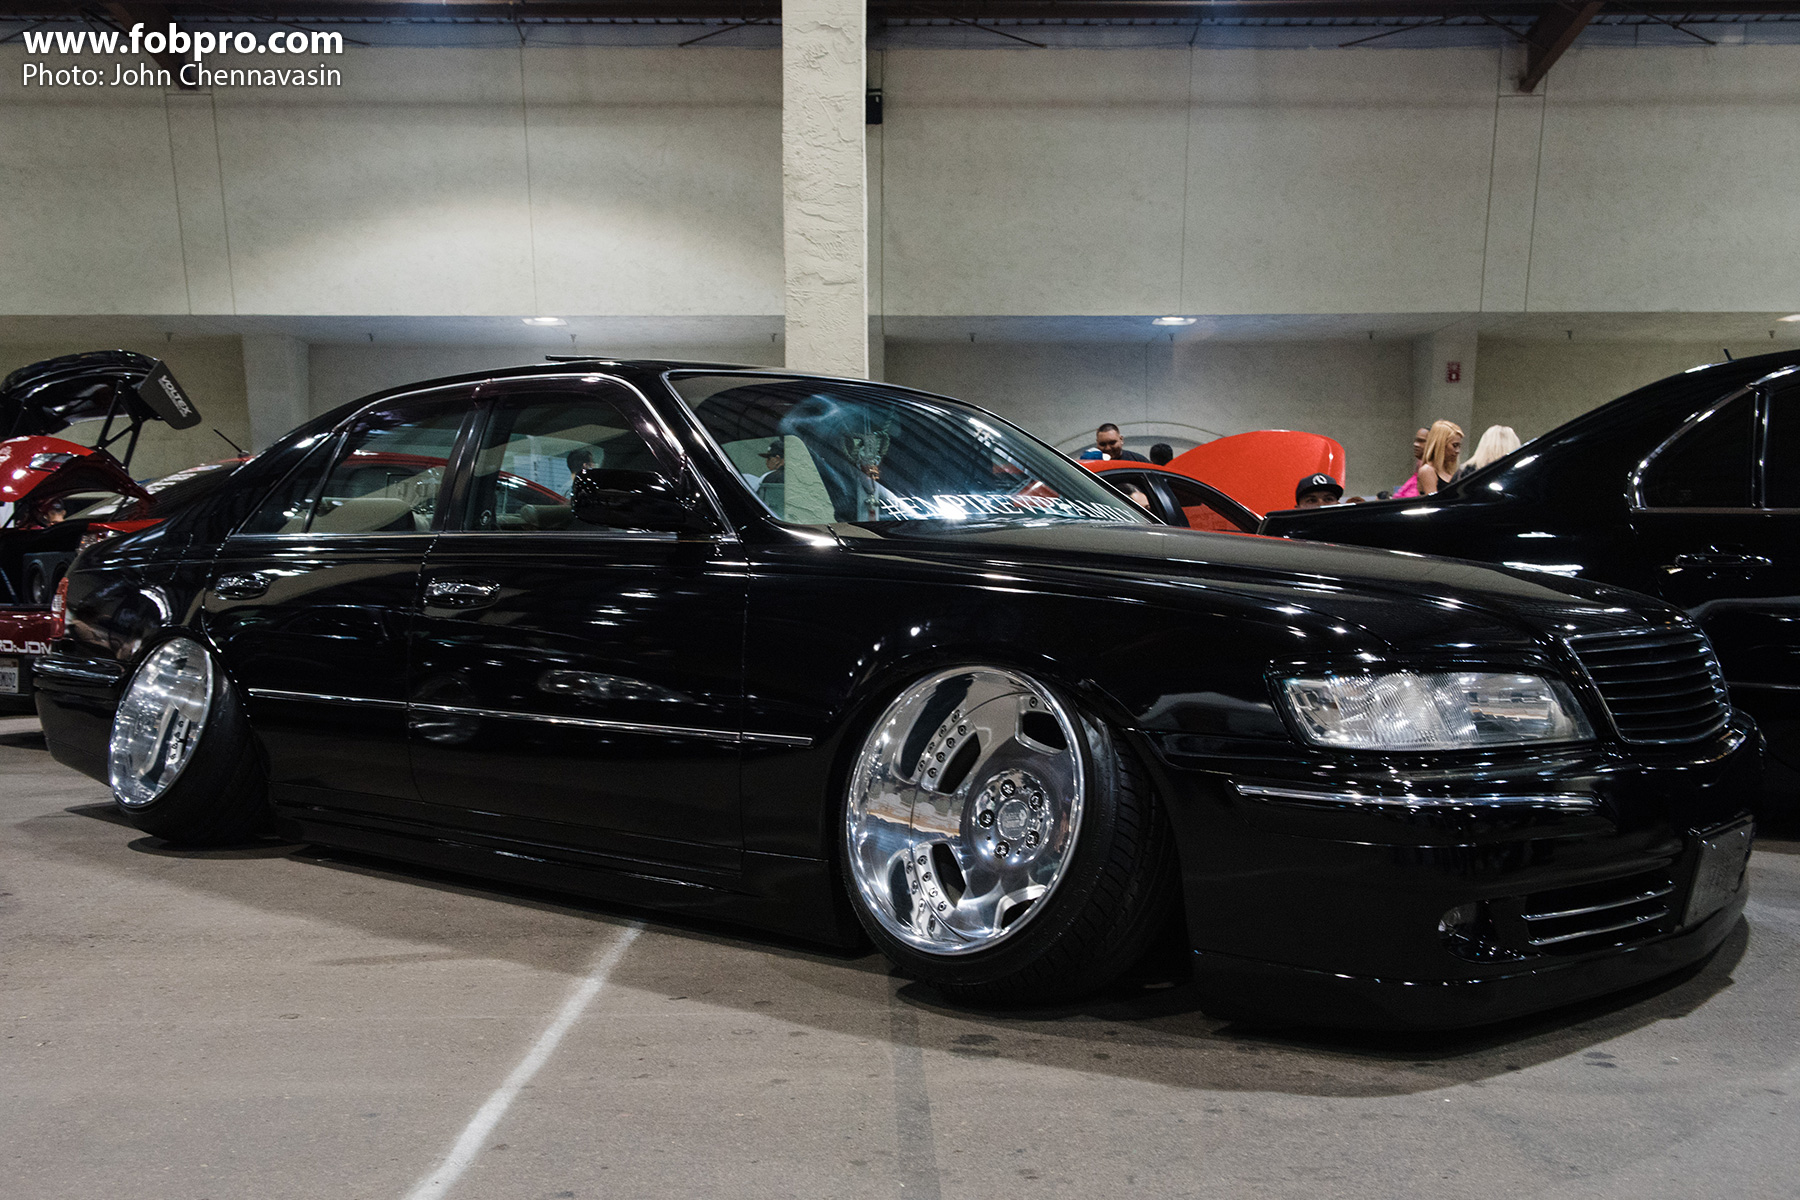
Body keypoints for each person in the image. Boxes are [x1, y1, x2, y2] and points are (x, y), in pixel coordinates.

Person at [1414, 420, 1463, 495]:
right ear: (1441, 445)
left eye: (1459, 446)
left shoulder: (1453, 472)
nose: (1457, 451)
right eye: (1454, 445)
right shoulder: (1427, 470)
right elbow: (1434, 501)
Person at [1387, 427, 1430, 499]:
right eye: (1416, 440)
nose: (1415, 444)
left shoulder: (1430, 472)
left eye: (1421, 441)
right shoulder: (1417, 472)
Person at [755, 440, 785, 511]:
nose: (766, 461)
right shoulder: (796, 476)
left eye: (769, 458)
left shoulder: (769, 476)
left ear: (777, 459)